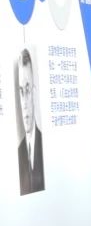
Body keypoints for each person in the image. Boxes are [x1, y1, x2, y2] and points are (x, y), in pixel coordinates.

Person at [16, 49, 45, 195]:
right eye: (21, 91)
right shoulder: (19, 150)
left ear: (34, 92)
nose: (25, 103)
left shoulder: (44, 144)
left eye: (27, 90)